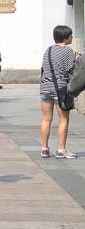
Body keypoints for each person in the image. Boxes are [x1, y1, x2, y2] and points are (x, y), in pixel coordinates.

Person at [39, 25, 79, 159]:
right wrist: (76, 59)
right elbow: (72, 70)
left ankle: (44, 149)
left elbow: (44, 68)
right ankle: (61, 150)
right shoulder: (68, 51)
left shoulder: (48, 50)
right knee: (63, 119)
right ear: (66, 38)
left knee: (46, 119)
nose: (72, 37)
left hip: (45, 87)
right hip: (60, 88)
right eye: (71, 36)